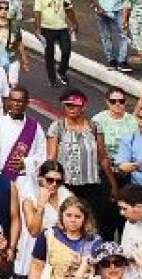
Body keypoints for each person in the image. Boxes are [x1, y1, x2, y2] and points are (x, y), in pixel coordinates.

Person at [47, 88, 118, 238]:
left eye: (75, 105)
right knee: (69, 224)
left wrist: (113, 185)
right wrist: (50, 184)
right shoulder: (57, 127)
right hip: (67, 186)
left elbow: (103, 157)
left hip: (92, 185)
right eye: (67, 105)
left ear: (83, 106)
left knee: (98, 224)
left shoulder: (94, 127)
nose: (71, 108)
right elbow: (51, 159)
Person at [27, 197, 102, 279]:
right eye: (68, 215)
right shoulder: (49, 235)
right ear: (61, 215)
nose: (72, 220)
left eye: (77, 216)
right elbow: (36, 266)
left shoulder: (94, 241)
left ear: (85, 218)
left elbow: (100, 270)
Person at [34, 0, 79, 87]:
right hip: (47, 28)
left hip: (62, 27)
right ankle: (52, 78)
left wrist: (74, 23)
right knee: (49, 54)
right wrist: (38, 29)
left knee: (66, 50)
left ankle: (62, 71)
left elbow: (68, 9)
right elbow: (37, 13)